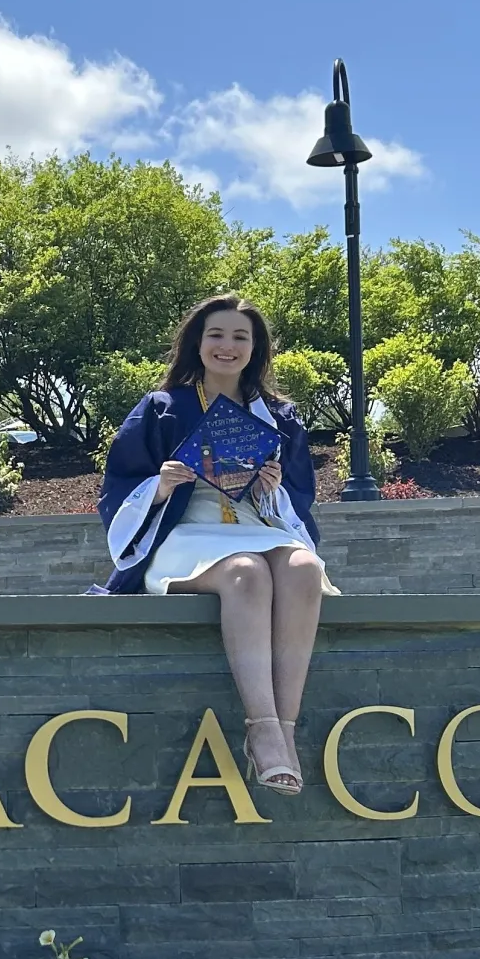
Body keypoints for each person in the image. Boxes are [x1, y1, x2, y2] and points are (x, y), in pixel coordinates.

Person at [94, 293, 337, 796]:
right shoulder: (162, 408)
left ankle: (286, 727)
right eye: (216, 335)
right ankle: (263, 730)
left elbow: (299, 505)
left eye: (240, 337)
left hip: (257, 525)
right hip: (186, 534)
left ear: (256, 348)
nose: (227, 346)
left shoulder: (279, 416)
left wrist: (273, 488)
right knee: (246, 572)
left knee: (303, 569)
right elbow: (118, 488)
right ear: (197, 344)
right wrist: (159, 485)